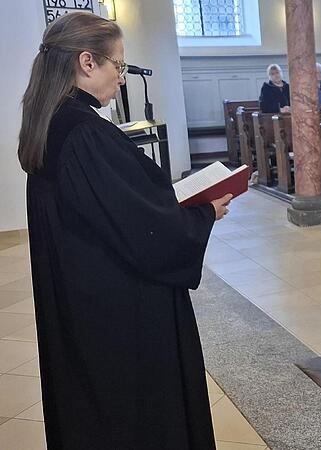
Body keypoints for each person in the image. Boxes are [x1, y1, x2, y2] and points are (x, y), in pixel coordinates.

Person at [17, 12, 232, 449]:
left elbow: (114, 207)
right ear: (87, 62)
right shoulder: (83, 132)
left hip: (83, 298)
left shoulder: (52, 123)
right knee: (133, 413)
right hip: (118, 311)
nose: (122, 78)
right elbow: (143, 232)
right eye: (118, 65)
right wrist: (203, 213)